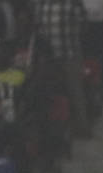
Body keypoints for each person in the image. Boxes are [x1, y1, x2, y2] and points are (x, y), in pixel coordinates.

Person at [32, 0, 88, 138]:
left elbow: (84, 25)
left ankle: (82, 127)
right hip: (50, 58)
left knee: (75, 91)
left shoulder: (73, 3)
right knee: (52, 94)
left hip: (69, 54)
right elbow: (38, 28)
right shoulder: (43, 4)